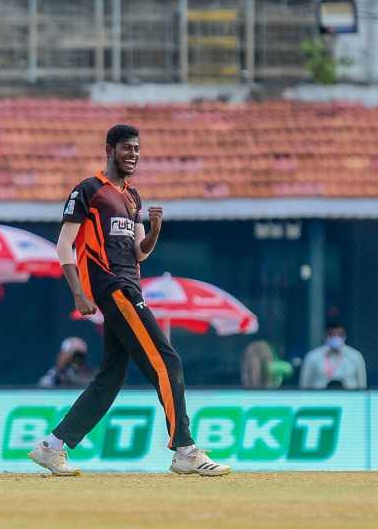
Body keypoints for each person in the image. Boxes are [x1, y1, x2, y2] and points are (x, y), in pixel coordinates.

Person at [28, 124, 229, 477]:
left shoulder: (133, 196)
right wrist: (78, 292)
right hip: (113, 288)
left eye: (136, 149)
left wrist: (154, 231)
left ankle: (52, 447)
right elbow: (64, 245)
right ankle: (185, 449)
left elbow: (140, 252)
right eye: (126, 148)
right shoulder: (89, 190)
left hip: (130, 285)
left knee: (111, 378)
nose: (133, 155)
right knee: (168, 361)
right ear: (109, 149)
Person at [300, 323, 367, 390]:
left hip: (348, 398)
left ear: (345, 336)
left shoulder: (355, 356)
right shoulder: (312, 356)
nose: (336, 337)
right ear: (325, 336)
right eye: (332, 335)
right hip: (321, 398)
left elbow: (362, 385)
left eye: (339, 335)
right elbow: (304, 385)